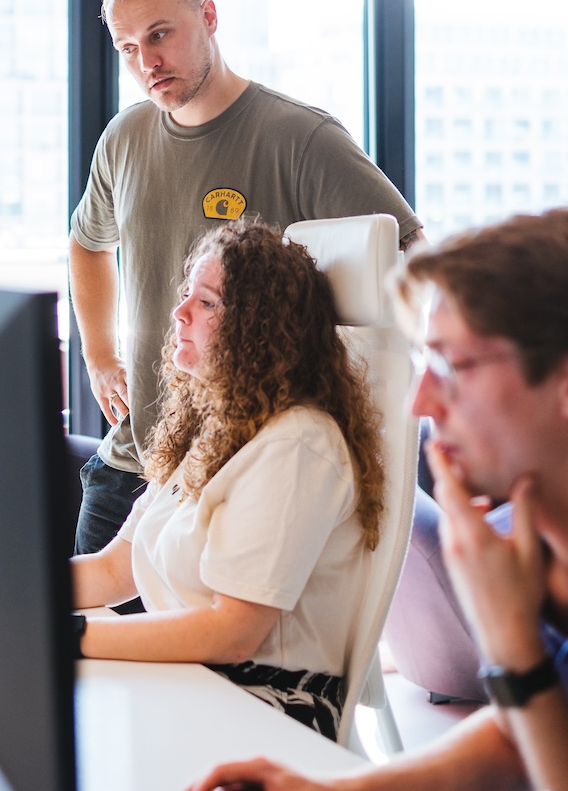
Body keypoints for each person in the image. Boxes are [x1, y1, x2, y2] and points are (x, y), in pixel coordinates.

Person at [188, 207, 568, 791]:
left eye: (451, 364)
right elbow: (521, 733)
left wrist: (513, 648)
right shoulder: (543, 557)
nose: (420, 403)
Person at [69, 0, 422, 555]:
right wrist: (100, 354)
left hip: (240, 475)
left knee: (198, 650)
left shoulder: (299, 138)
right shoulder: (124, 138)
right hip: (134, 467)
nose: (147, 62)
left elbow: (413, 251)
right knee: (66, 640)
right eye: (128, 48)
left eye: (160, 35)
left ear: (207, 17)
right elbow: (86, 243)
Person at [70, 218, 385, 741]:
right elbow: (112, 571)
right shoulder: (215, 426)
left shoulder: (298, 443)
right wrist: (16, 593)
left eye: (208, 303)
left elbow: (233, 630)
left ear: (260, 329)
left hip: (267, 708)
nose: (179, 312)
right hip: (196, 683)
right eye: (187, 294)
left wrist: (75, 635)